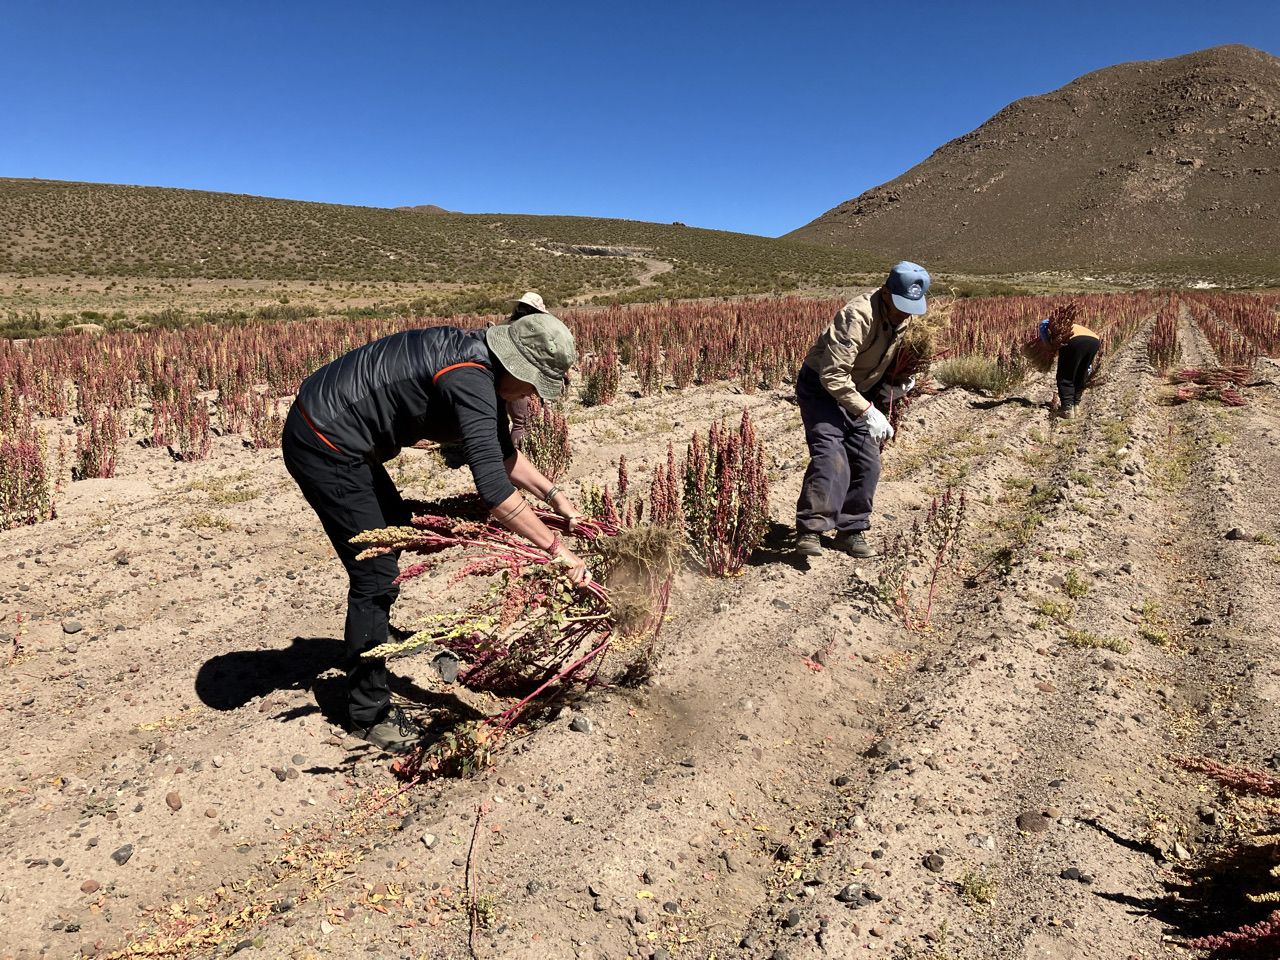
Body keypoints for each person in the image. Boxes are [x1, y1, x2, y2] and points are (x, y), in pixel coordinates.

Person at [282, 312, 590, 752]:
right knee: (375, 570)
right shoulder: (471, 379)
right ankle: (368, 713)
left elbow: (499, 453)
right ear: (516, 367)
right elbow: (494, 490)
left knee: (394, 526)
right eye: (533, 385)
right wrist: (556, 548)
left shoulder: (478, 362)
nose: (531, 397)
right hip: (324, 441)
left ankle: (373, 635)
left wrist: (554, 495)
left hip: (339, 429)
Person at [794, 262, 930, 559]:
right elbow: (832, 375)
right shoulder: (857, 315)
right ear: (885, 291)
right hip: (821, 388)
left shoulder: (907, 316)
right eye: (900, 304)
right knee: (831, 456)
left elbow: (897, 354)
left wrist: (903, 382)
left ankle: (851, 530)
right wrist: (868, 411)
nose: (904, 312)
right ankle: (811, 530)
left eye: (911, 306)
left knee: (867, 461)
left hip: (859, 389)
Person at [1039, 317, 1100, 419]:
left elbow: (1044, 323)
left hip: (1074, 340)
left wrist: (1046, 343)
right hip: (1094, 341)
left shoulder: (1049, 325)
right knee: (1080, 374)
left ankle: (1067, 409)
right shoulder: (1072, 327)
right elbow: (1087, 367)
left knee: (1065, 375)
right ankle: (1076, 406)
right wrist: (1086, 370)